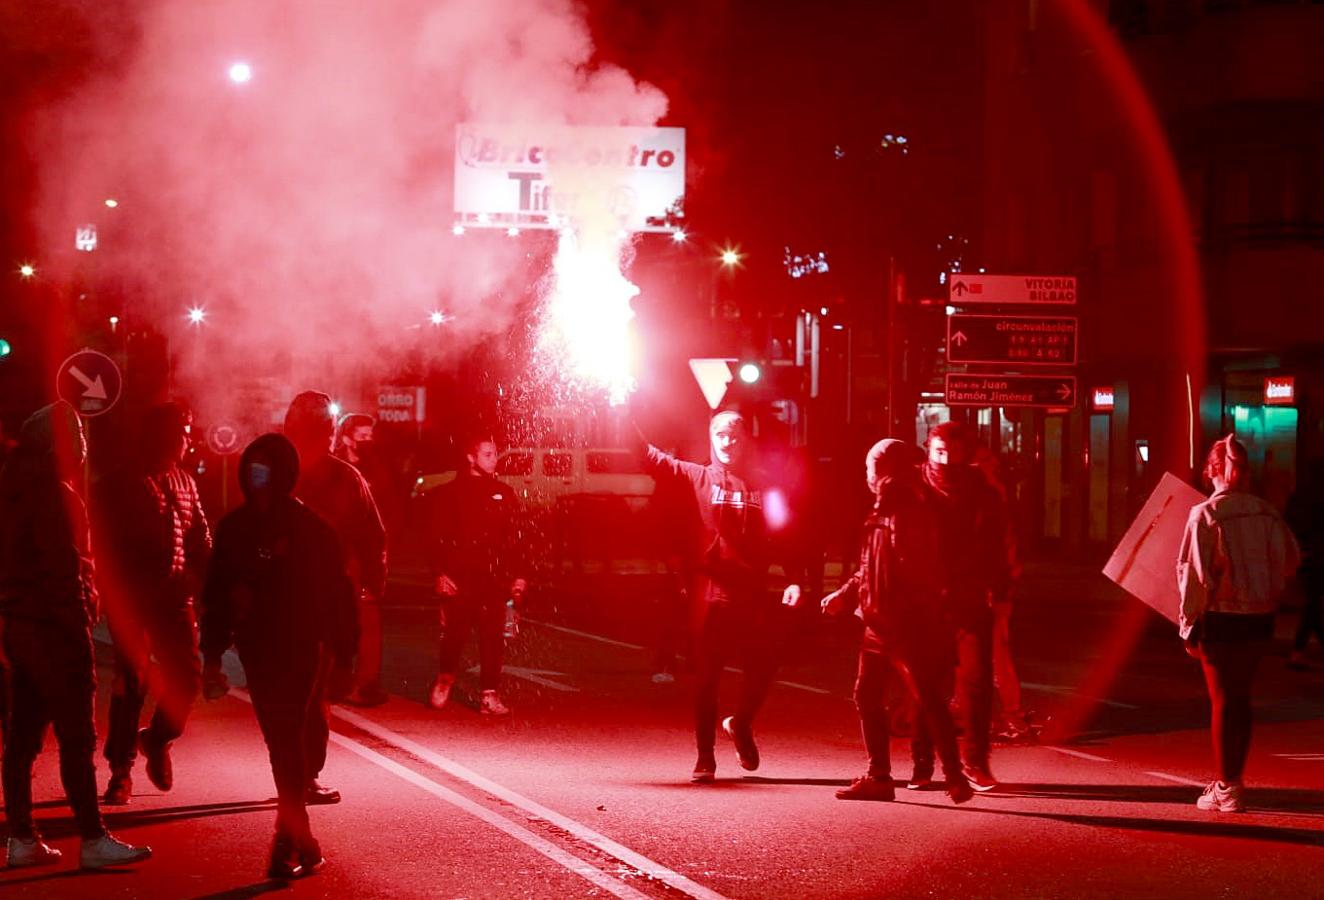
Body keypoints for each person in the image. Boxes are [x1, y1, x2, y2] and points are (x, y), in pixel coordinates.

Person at [0, 401, 151, 869]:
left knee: (21, 737)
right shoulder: (56, 495)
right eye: (78, 442)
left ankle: (21, 838)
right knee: (77, 736)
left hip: (18, 626)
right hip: (54, 629)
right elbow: (63, 569)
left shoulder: (13, 489)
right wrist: (79, 621)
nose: (84, 451)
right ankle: (91, 837)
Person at [200, 433, 357, 877]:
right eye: (252, 468)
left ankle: (288, 841)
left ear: (284, 474)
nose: (257, 477)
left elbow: (339, 595)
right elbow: (216, 594)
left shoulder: (311, 528)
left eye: (266, 468)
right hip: (257, 649)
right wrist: (211, 657)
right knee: (280, 739)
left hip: (301, 646)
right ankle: (301, 838)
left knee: (285, 734)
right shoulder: (234, 529)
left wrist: (346, 655)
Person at [635, 409, 804, 783]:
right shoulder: (698, 476)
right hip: (712, 594)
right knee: (707, 677)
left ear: (745, 440)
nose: (728, 443)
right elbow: (647, 456)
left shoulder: (763, 485)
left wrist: (794, 578)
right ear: (712, 438)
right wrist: (620, 407)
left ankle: (740, 724)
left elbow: (784, 532)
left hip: (752, 593)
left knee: (764, 665)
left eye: (735, 436)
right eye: (721, 436)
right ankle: (705, 757)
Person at [821, 439, 973, 804]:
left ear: (882, 469)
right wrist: (847, 593)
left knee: (919, 696)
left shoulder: (900, 504)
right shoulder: (899, 502)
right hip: (885, 618)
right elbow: (873, 564)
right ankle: (936, 777)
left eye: (870, 466)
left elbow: (909, 565)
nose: (867, 475)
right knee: (891, 694)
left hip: (896, 621)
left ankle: (914, 776)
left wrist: (904, 608)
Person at [95, 402, 211, 805]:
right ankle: (120, 771)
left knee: (187, 680)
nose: (187, 440)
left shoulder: (185, 482)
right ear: (162, 434)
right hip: (133, 601)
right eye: (182, 432)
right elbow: (100, 544)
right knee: (131, 684)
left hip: (175, 601)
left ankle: (157, 738)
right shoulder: (118, 483)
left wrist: (196, 578)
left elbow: (201, 539)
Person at [1178, 435, 1299, 813]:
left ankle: (1226, 785)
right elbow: (1290, 560)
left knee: (1221, 701)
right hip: (1258, 617)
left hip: (1220, 616)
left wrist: (1187, 623)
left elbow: (1194, 575)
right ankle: (1233, 779)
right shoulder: (1265, 513)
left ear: (1213, 470)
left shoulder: (1205, 514)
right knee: (1241, 698)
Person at [283, 392, 387, 805]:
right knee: (314, 692)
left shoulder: (271, 472)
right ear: (328, 430)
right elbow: (373, 534)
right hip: (322, 598)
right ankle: (304, 776)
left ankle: (295, 772)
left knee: (294, 691)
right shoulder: (344, 476)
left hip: (289, 598)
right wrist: (372, 582)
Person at [913, 421, 1011, 792]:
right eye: (939, 452)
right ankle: (922, 761)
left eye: (953, 454)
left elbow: (996, 541)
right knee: (927, 682)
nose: (946, 461)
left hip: (969, 596)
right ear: (928, 449)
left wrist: (1000, 590)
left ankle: (975, 761)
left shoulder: (980, 490)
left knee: (976, 682)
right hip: (925, 598)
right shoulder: (916, 486)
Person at [427, 435, 525, 715]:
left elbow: (515, 537)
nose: (493, 460)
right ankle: (445, 678)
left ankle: (489, 693)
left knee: (493, 636)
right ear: (471, 458)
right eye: (487, 454)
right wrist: (439, 573)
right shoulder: (450, 493)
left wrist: (518, 575)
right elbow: (437, 536)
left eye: (495, 454)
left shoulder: (504, 493)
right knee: (454, 635)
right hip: (460, 576)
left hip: (493, 577)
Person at [973, 445, 1029, 740]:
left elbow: (1003, 550)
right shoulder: (996, 495)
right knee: (988, 653)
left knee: (995, 652)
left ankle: (1012, 716)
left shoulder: (992, 498)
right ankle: (1003, 714)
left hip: (992, 589)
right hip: (992, 587)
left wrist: (1000, 588)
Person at [1284, 466, 1323, 670]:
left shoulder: (1298, 498)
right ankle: (1297, 651)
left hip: (1304, 555)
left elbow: (1287, 523)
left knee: (1312, 603)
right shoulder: (1319, 497)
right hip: (1319, 556)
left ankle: (1298, 651)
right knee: (1312, 604)